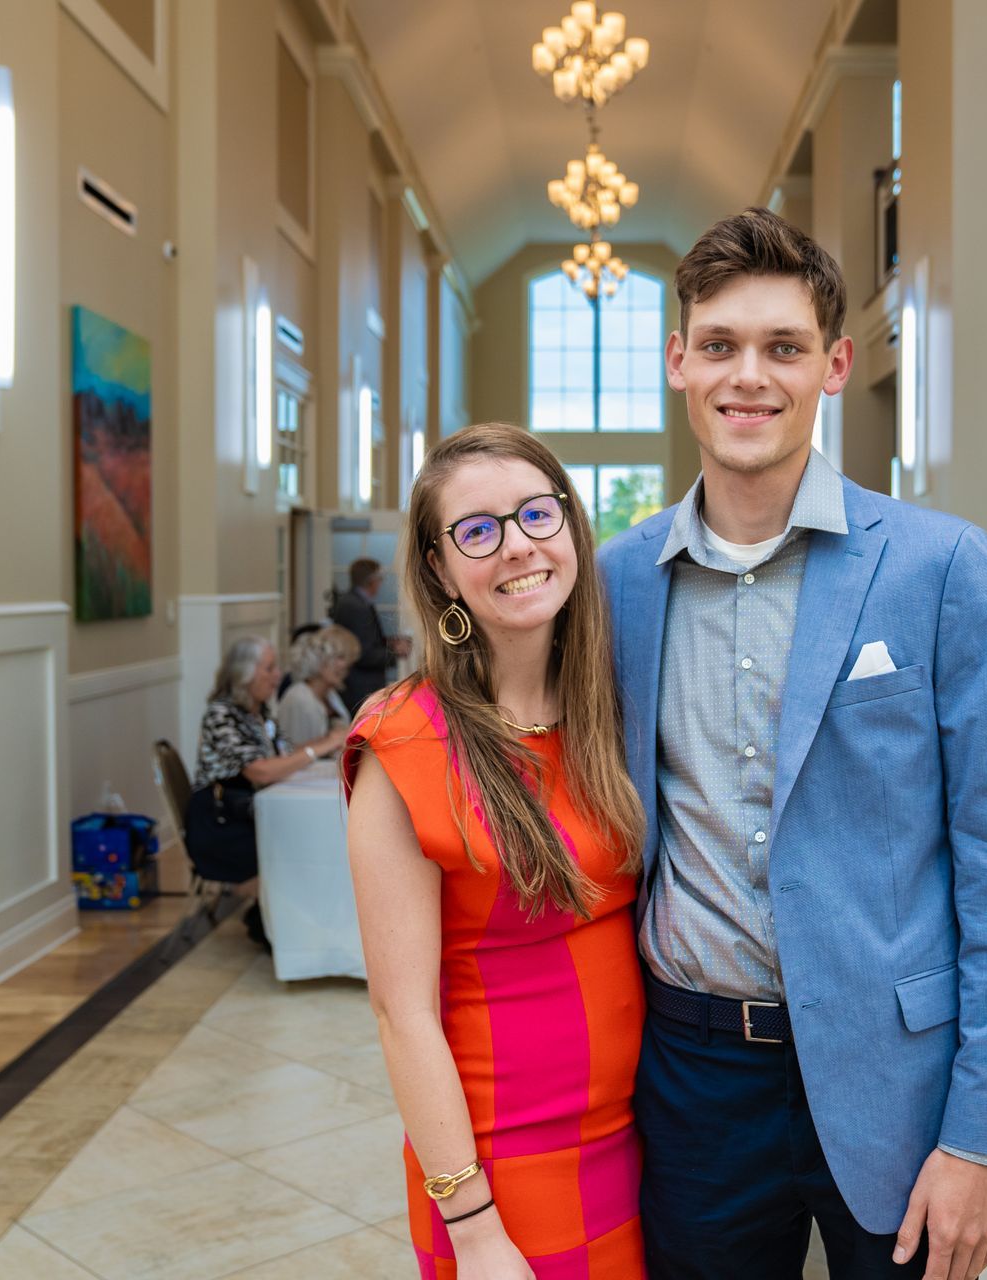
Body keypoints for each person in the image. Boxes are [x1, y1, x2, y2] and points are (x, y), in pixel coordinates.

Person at [598, 209, 987, 1280]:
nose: (748, 377)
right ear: (678, 361)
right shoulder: (617, 581)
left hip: (896, 1070)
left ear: (835, 364)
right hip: (695, 1074)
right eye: (719, 345)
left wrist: (981, 1133)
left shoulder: (938, 567)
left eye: (783, 348)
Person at [343, 424, 648, 1279]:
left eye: (536, 515)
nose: (517, 546)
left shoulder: (611, 712)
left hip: (641, 1141)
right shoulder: (404, 744)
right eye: (477, 530)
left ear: (571, 530)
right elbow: (401, 1015)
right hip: (500, 1164)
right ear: (439, 567)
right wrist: (473, 1226)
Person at [188, 635, 349, 941]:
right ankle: (288, 930)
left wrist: (329, 741)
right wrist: (322, 747)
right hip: (221, 822)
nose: (278, 676)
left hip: (251, 813)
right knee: (301, 848)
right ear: (244, 674)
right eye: (270, 668)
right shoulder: (222, 715)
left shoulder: (258, 713)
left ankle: (301, 928)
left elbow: (286, 756)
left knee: (315, 837)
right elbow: (260, 771)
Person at [332, 557, 411, 713]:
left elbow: (367, 640)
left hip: (357, 683)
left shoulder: (352, 601)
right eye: (379, 579)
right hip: (361, 686)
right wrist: (396, 652)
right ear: (371, 581)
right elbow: (364, 654)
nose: (380, 584)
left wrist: (391, 643)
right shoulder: (357, 607)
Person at [275, 625, 357, 745]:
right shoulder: (298, 698)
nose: (344, 665)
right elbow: (293, 752)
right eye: (339, 657)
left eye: (347, 659)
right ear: (318, 659)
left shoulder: (330, 694)